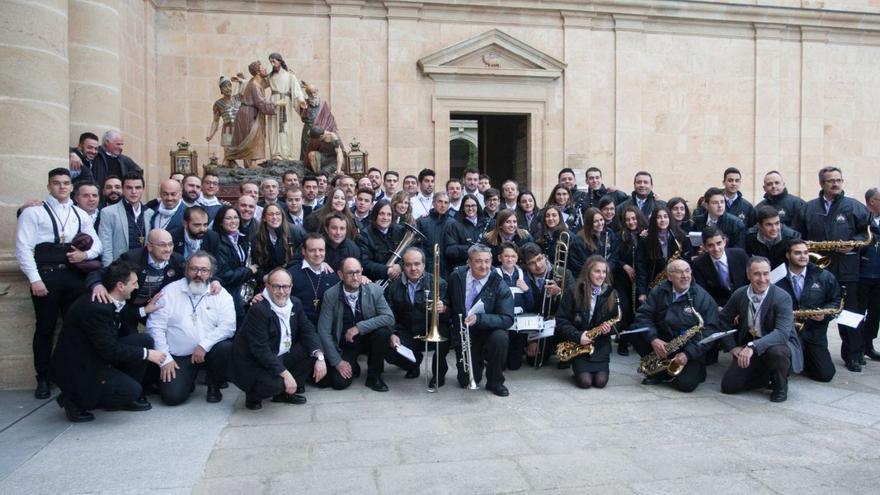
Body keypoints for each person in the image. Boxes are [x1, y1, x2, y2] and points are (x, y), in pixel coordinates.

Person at [16, 168, 102, 399]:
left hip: (74, 277)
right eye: (56, 183)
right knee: (45, 329)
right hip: (47, 276)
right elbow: (24, 248)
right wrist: (35, 279)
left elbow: (97, 245)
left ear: (72, 188)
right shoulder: (33, 213)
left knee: (74, 328)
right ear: (49, 186)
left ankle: (70, 374)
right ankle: (43, 378)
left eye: (66, 183)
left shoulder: (79, 214)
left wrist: (85, 256)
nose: (62, 187)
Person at [50, 260, 164, 422]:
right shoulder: (96, 308)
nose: (137, 287)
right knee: (130, 390)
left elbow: (122, 315)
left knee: (143, 340)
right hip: (80, 367)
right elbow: (110, 350)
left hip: (95, 356)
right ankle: (74, 400)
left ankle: (121, 392)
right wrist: (147, 354)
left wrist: (145, 310)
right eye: (134, 283)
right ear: (120, 286)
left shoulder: (110, 299)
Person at [801, 166, 871, 371]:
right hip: (817, 269)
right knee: (813, 311)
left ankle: (853, 355)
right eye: (831, 180)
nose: (836, 184)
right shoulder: (809, 207)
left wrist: (853, 242)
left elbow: (867, 234)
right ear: (822, 183)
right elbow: (798, 233)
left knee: (849, 313)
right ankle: (810, 353)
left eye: (839, 180)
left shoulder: (855, 206)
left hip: (847, 268)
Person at [146, 251, 236, 405]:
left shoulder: (221, 294)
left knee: (225, 347)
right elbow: (155, 327)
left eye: (204, 270)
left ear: (211, 273)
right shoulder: (169, 291)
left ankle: (214, 386)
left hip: (209, 351)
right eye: (194, 269)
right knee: (172, 398)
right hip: (178, 355)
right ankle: (187, 381)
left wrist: (204, 345)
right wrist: (165, 359)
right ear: (186, 270)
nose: (198, 274)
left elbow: (229, 326)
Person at [230, 268, 325, 410]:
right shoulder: (259, 310)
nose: (281, 291)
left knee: (311, 351)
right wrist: (286, 374)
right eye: (276, 286)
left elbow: (308, 330)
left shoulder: (295, 303)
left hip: (279, 353)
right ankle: (253, 394)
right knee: (275, 384)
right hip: (255, 363)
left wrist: (320, 357)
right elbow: (260, 350)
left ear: (291, 287)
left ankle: (283, 394)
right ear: (267, 286)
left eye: (285, 286)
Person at [631, 259, 721, 392]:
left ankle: (697, 371)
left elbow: (710, 331)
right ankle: (660, 370)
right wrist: (653, 339)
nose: (685, 276)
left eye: (687, 271)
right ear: (669, 276)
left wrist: (687, 354)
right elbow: (643, 315)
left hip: (689, 348)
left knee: (685, 385)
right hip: (663, 342)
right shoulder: (659, 290)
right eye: (679, 272)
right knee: (634, 331)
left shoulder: (703, 298)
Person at [719, 256, 801, 402]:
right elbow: (723, 320)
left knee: (776, 352)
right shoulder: (740, 293)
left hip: (777, 344)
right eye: (757, 274)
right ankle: (765, 375)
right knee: (729, 387)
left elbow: (781, 334)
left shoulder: (782, 297)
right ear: (748, 275)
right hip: (750, 344)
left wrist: (752, 346)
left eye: (766, 273)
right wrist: (732, 347)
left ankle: (780, 385)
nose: (762, 279)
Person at [86, 229, 186, 336]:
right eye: (162, 245)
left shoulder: (177, 261)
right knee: (130, 339)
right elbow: (100, 273)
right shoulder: (132, 258)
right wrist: (97, 285)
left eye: (170, 244)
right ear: (150, 247)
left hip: (156, 307)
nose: (168, 249)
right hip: (128, 307)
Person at [316, 258, 395, 391]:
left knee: (383, 333)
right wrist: (337, 362)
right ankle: (353, 366)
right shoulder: (330, 295)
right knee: (339, 383)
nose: (355, 277)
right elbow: (324, 332)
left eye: (358, 272)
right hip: (345, 344)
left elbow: (389, 318)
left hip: (368, 340)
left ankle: (374, 376)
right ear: (340, 275)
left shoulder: (374, 290)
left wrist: (359, 327)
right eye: (350, 273)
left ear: (362, 272)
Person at [448, 244, 514, 396]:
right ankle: (476, 368)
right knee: (467, 380)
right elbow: (449, 301)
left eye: (487, 261)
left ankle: (495, 381)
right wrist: (443, 306)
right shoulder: (456, 276)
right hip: (464, 333)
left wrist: (479, 319)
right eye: (478, 261)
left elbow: (507, 319)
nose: (484, 266)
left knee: (501, 337)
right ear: (469, 262)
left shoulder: (499, 284)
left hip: (487, 332)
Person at [384, 247, 451, 388]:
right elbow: (389, 314)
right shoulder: (393, 287)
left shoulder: (440, 283)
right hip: (407, 332)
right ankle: (413, 364)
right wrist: (392, 333)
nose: (413, 268)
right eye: (408, 264)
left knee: (444, 331)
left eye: (417, 264)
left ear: (424, 265)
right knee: (387, 347)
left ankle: (438, 374)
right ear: (403, 266)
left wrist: (443, 308)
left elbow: (451, 310)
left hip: (429, 330)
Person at [776, 239, 841, 382]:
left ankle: (805, 358)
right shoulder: (776, 276)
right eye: (798, 253)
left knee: (825, 375)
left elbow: (836, 300)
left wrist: (824, 314)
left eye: (805, 252)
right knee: (780, 371)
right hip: (787, 333)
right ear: (788, 255)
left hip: (814, 332)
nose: (803, 256)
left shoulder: (824, 275)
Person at [555, 255, 620, 389]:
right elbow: (561, 321)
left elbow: (617, 321)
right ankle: (577, 368)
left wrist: (610, 328)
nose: (601, 276)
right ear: (587, 272)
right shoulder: (573, 291)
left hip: (600, 346)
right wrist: (578, 336)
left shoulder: (611, 293)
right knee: (585, 383)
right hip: (578, 344)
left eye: (604, 272)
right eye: (597, 271)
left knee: (600, 382)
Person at [226, 60, 285, 167]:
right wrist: (277, 103)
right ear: (258, 72)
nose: (265, 69)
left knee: (251, 138)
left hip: (250, 112)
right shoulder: (255, 85)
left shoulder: (256, 82)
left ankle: (249, 163)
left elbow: (267, 82)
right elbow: (261, 103)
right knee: (251, 138)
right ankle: (241, 161)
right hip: (249, 114)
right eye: (263, 68)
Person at [636, 206, 692, 304]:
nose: (663, 220)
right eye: (659, 217)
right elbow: (641, 267)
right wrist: (642, 292)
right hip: (654, 283)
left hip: (676, 282)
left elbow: (687, 259)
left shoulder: (680, 236)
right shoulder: (645, 239)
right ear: (654, 220)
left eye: (665, 216)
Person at [213, 206, 257, 324]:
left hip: (241, 292)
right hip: (230, 294)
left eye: (236, 217)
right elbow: (225, 275)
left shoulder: (241, 239)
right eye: (228, 218)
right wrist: (249, 271)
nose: (233, 221)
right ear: (221, 222)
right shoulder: (218, 243)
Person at [613, 204, 648, 355]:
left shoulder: (646, 234)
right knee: (625, 310)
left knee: (638, 311)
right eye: (627, 220)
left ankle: (635, 339)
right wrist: (625, 266)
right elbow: (614, 258)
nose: (631, 222)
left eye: (634, 218)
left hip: (641, 279)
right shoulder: (619, 236)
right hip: (623, 280)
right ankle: (622, 341)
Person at [99, 172, 153, 265]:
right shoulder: (108, 212)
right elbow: (106, 246)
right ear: (123, 189)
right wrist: (109, 270)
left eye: (138, 187)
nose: (134, 192)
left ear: (143, 189)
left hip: (143, 267)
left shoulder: (150, 213)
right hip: (120, 267)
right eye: (129, 188)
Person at [691, 226, 749, 310]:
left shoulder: (740, 255)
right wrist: (716, 307)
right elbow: (703, 292)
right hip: (719, 307)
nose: (716, 249)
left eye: (719, 243)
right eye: (710, 245)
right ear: (704, 247)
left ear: (724, 242)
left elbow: (749, 280)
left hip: (744, 301)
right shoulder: (698, 264)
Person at [290, 234, 340, 325]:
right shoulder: (291, 274)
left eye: (321, 250)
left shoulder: (332, 276)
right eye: (312, 250)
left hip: (326, 328)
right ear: (303, 251)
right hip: (300, 328)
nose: (317, 254)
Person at [265, 52, 305, 160]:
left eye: (274, 61)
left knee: (285, 128)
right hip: (274, 103)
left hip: (285, 103)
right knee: (273, 128)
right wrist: (243, 82)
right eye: (271, 62)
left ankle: (286, 154)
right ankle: (275, 153)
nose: (272, 64)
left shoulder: (290, 76)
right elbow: (257, 84)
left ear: (280, 61)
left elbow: (296, 89)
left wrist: (301, 100)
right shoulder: (270, 77)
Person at [357, 200, 404, 282]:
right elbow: (365, 263)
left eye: (389, 214)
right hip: (374, 281)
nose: (385, 218)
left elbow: (409, 252)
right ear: (375, 215)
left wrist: (400, 265)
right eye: (381, 214)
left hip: (399, 281)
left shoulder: (400, 231)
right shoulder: (364, 235)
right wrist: (387, 270)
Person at [252, 204, 300, 284]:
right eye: (270, 214)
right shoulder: (257, 238)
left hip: (292, 277)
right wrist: (264, 277)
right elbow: (255, 265)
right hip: (267, 280)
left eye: (278, 214)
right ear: (264, 218)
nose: (274, 217)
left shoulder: (295, 232)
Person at [445, 194, 492, 272]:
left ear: (478, 207)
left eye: (473, 205)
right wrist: (470, 249)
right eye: (467, 206)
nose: (470, 208)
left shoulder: (488, 223)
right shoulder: (455, 226)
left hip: (485, 268)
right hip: (464, 269)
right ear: (463, 208)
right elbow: (450, 250)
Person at [206, 75, 243, 165]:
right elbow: (215, 121)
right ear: (221, 90)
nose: (228, 88)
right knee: (228, 156)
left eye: (229, 86)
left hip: (241, 130)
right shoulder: (218, 104)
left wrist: (241, 80)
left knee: (246, 155)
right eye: (225, 87)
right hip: (228, 132)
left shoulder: (239, 97)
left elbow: (248, 88)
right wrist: (211, 134)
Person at [861, 188, 880, 361]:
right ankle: (855, 348)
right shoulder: (862, 218)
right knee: (857, 312)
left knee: (875, 313)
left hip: (879, 276)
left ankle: (869, 344)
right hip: (862, 274)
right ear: (872, 201)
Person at [416, 191, 455, 277]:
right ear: (433, 203)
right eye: (440, 201)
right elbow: (416, 245)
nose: (443, 205)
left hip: (446, 270)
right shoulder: (422, 221)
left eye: (446, 202)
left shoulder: (453, 223)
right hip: (425, 268)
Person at [299, 83, 338, 161]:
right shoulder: (305, 103)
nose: (313, 95)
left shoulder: (323, 104)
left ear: (317, 91)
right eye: (310, 94)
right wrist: (304, 109)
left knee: (319, 151)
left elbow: (329, 118)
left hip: (320, 132)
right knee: (306, 150)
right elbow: (303, 118)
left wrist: (329, 130)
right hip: (308, 131)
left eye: (314, 92)